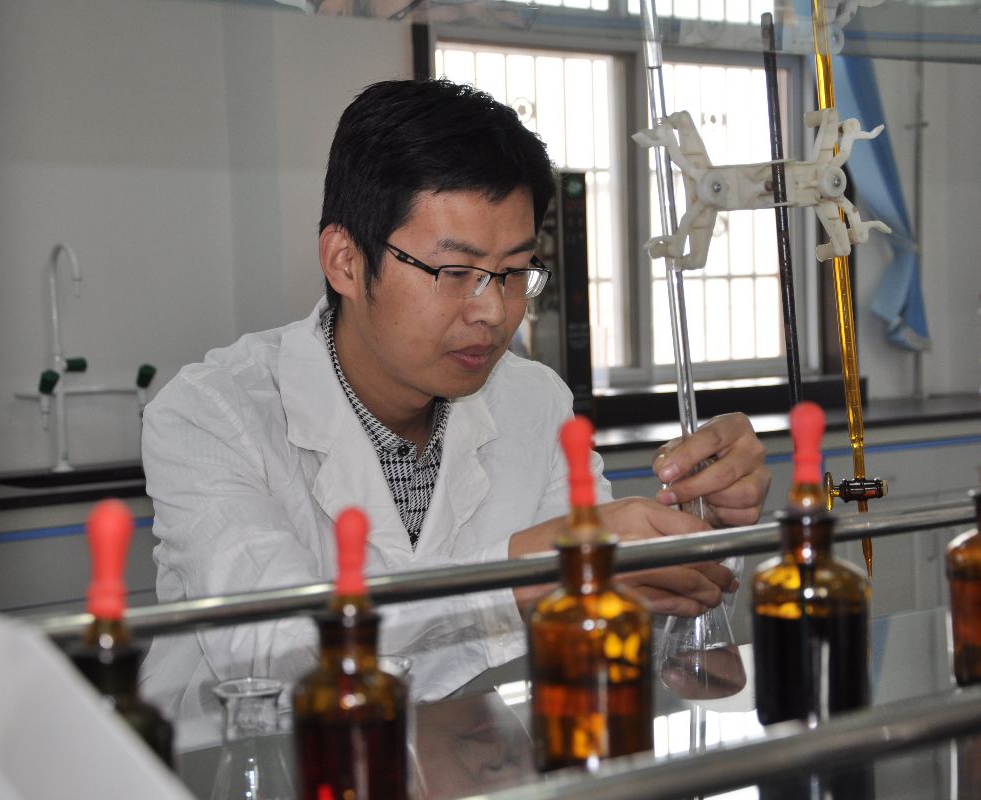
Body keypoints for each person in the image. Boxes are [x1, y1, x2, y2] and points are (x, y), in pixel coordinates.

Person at [139, 78, 771, 747]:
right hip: (253, 771)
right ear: (345, 261)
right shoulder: (212, 414)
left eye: (514, 272)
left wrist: (699, 531)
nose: (493, 311)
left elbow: (603, 617)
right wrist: (529, 571)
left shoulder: (535, 402)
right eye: (454, 272)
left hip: (465, 764)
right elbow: (278, 652)